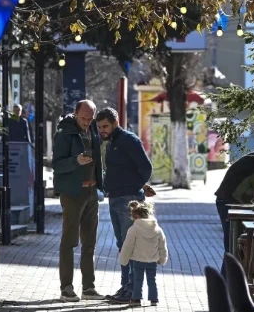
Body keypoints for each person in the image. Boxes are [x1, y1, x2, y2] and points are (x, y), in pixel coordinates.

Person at [93, 107, 153, 301]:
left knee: (131, 245)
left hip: (129, 200)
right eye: (99, 126)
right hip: (115, 199)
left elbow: (146, 167)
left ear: (115, 123)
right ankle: (125, 288)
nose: (102, 130)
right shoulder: (112, 142)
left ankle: (133, 291)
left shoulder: (128, 140)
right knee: (123, 246)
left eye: (105, 126)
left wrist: (135, 189)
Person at [50, 100, 105, 302]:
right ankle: (66, 287)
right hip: (73, 194)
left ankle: (88, 288)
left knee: (89, 242)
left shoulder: (93, 130)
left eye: (90, 118)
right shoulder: (64, 133)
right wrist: (76, 161)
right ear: (75, 113)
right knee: (69, 241)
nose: (87, 122)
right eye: (83, 118)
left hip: (92, 193)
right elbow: (56, 164)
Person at [112, 201, 168, 307]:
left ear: (136, 215)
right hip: (152, 260)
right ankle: (154, 299)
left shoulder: (133, 229)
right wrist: (162, 259)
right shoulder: (157, 229)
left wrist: (123, 259)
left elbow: (128, 246)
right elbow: (162, 246)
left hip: (138, 260)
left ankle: (136, 298)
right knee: (152, 280)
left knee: (138, 280)